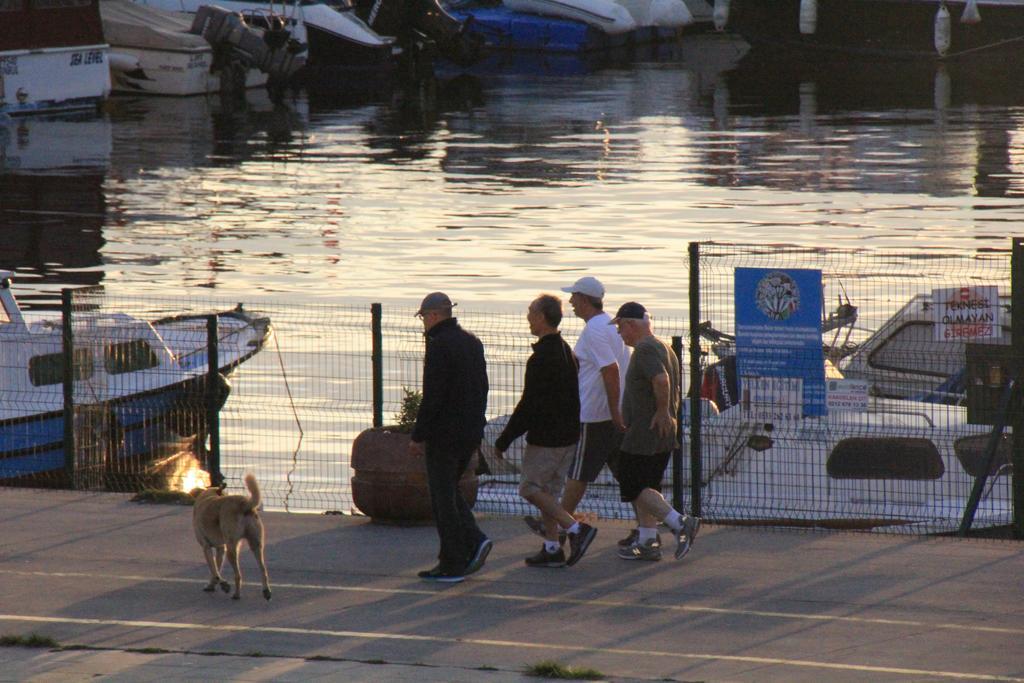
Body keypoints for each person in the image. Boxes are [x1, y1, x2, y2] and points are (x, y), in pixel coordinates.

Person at [495, 294, 596, 568]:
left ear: (541, 317)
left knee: (529, 488)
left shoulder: (541, 358)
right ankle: (552, 548)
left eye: (530, 311)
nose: (527, 316)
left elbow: (529, 405)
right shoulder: (566, 352)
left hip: (547, 438)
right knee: (549, 494)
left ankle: (575, 529)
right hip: (569, 435)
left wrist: (503, 441)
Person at [537, 276, 631, 537]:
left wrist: (614, 412)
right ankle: (664, 523)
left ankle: (556, 526)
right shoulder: (613, 325)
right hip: (611, 413)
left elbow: (610, 370)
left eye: (574, 297)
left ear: (584, 299)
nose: (570, 302)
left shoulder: (594, 330)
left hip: (594, 414)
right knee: (627, 476)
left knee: (578, 474)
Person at [408, 292, 492, 583]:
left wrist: (419, 435)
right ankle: (472, 542)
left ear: (432, 315)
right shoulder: (472, 341)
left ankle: (453, 562)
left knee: (442, 498)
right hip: (469, 431)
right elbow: (483, 387)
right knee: (450, 490)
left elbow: (433, 395)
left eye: (423, 317)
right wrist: (477, 426)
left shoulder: (438, 344)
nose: (423, 324)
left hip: (444, 433)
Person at [610, 301, 700, 562]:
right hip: (662, 432)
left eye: (620, 327)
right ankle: (648, 540)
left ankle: (679, 522)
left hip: (644, 432)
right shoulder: (664, 347)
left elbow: (661, 380)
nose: (618, 333)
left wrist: (661, 411)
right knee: (647, 485)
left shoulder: (645, 349)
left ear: (630, 324)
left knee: (630, 482)